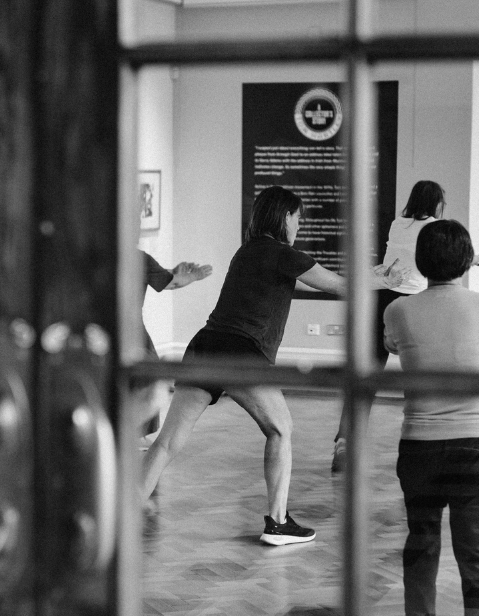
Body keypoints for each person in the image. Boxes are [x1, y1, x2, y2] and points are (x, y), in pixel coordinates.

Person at [140, 185, 404, 546]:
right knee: (281, 429)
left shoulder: (247, 251)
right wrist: (381, 279)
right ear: (283, 217)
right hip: (241, 352)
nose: (299, 225)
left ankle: (127, 510)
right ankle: (277, 522)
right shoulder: (284, 253)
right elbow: (341, 286)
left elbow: (314, 286)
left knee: (167, 443)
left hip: (205, 346)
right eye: (297, 217)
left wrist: (372, 277)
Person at [384, 219, 479, 616]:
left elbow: (395, 345)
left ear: (420, 262)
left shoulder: (398, 309)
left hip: (420, 446)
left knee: (421, 544)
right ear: (468, 261)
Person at [331, 180, 479, 472]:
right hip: (414, 304)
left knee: (366, 378)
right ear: (436, 203)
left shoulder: (397, 224)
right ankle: (422, 442)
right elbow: (450, 256)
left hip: (381, 299)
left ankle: (344, 443)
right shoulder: (432, 227)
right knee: (416, 378)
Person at [134, 250, 212, 433]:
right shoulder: (138, 257)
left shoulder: (100, 252)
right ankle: (129, 435)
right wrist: (194, 275)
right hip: (131, 329)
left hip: (102, 329)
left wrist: (172, 272)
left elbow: (164, 277)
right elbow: (172, 283)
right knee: (151, 378)